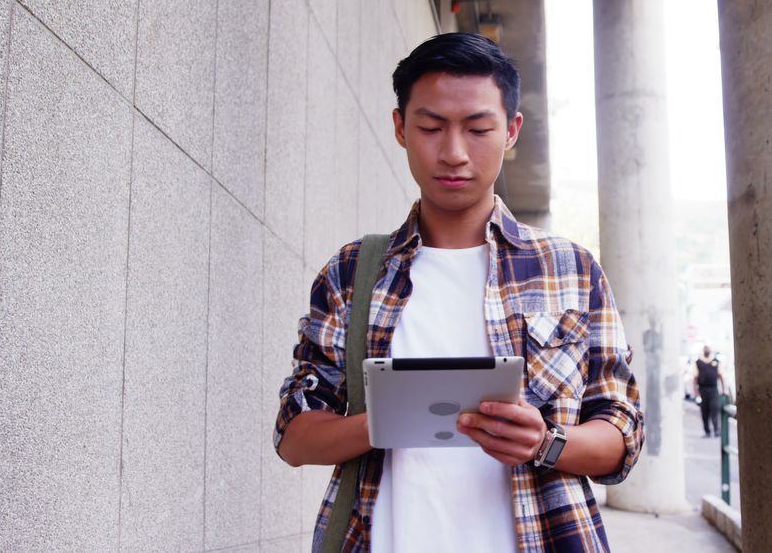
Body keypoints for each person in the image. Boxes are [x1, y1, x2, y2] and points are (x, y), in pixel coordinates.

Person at [273, 32, 644, 553]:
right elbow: (293, 436)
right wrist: (387, 420)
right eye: (430, 127)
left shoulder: (571, 269)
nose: (452, 153)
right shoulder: (353, 271)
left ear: (511, 131)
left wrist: (543, 442)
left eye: (477, 129)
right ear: (400, 127)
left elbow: (622, 436)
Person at [694, 346, 723, 438]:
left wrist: (723, 389)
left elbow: (721, 376)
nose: (707, 351)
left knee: (714, 409)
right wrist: (696, 393)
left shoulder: (715, 361)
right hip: (703, 389)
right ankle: (707, 431)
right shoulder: (698, 362)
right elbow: (695, 378)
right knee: (704, 411)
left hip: (713, 389)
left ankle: (716, 429)